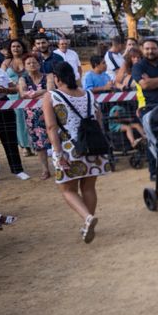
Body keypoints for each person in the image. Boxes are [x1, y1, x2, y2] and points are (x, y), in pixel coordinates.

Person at [41, 62, 112, 243]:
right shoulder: (87, 94)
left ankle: (88, 218)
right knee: (89, 187)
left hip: (69, 148)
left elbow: (51, 127)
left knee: (67, 189)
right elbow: (98, 119)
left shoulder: (51, 96)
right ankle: (87, 222)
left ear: (56, 79)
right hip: (93, 146)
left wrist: (57, 154)